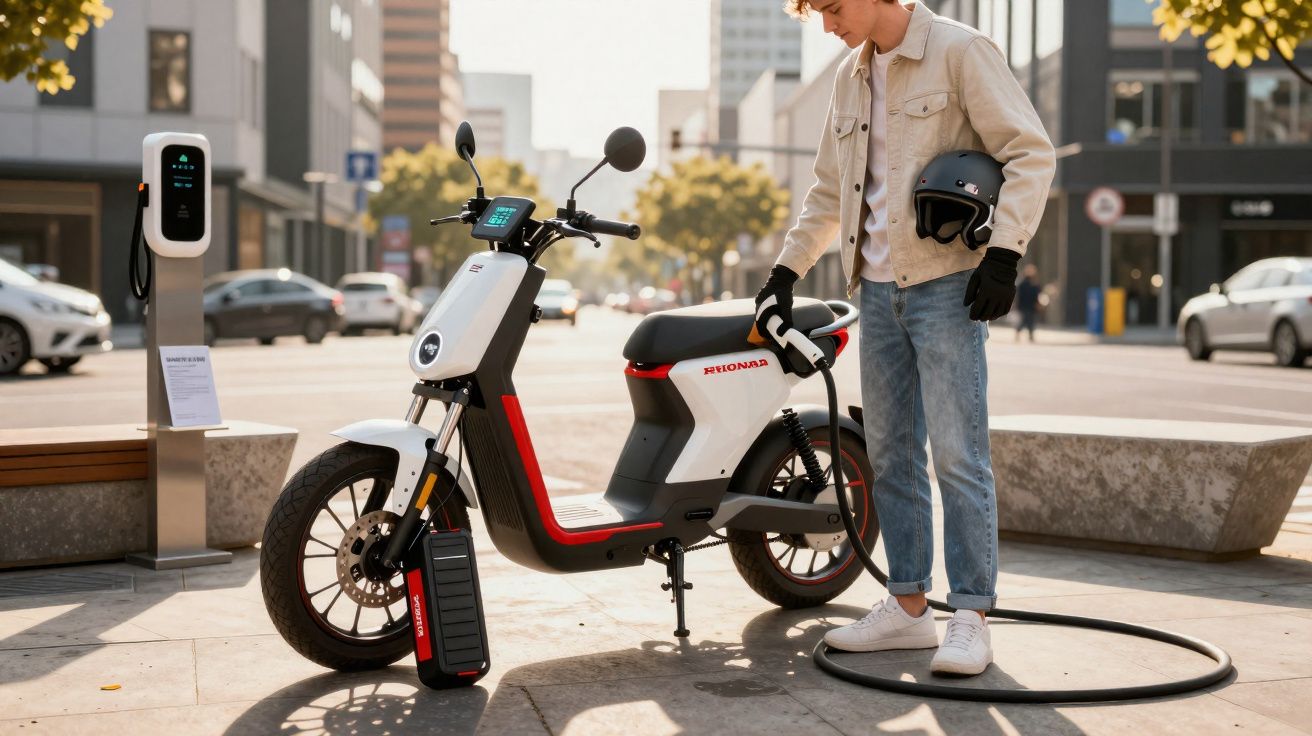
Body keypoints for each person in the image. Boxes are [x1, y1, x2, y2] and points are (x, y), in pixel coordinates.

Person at [753, 0, 1055, 676]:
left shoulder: (959, 51)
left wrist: (1005, 254)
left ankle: (971, 615)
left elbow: (1029, 152)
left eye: (832, 8)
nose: (827, 25)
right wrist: (784, 271)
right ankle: (910, 607)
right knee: (891, 455)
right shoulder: (849, 78)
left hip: (947, 283)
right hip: (877, 289)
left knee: (958, 455)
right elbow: (829, 192)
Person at [1016, 264, 1041, 342]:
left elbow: (1037, 294)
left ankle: (1030, 335)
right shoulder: (1023, 284)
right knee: (1025, 320)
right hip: (1025, 305)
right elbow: (1019, 296)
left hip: (1031, 305)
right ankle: (1023, 334)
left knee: (1030, 321)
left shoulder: (1034, 283)